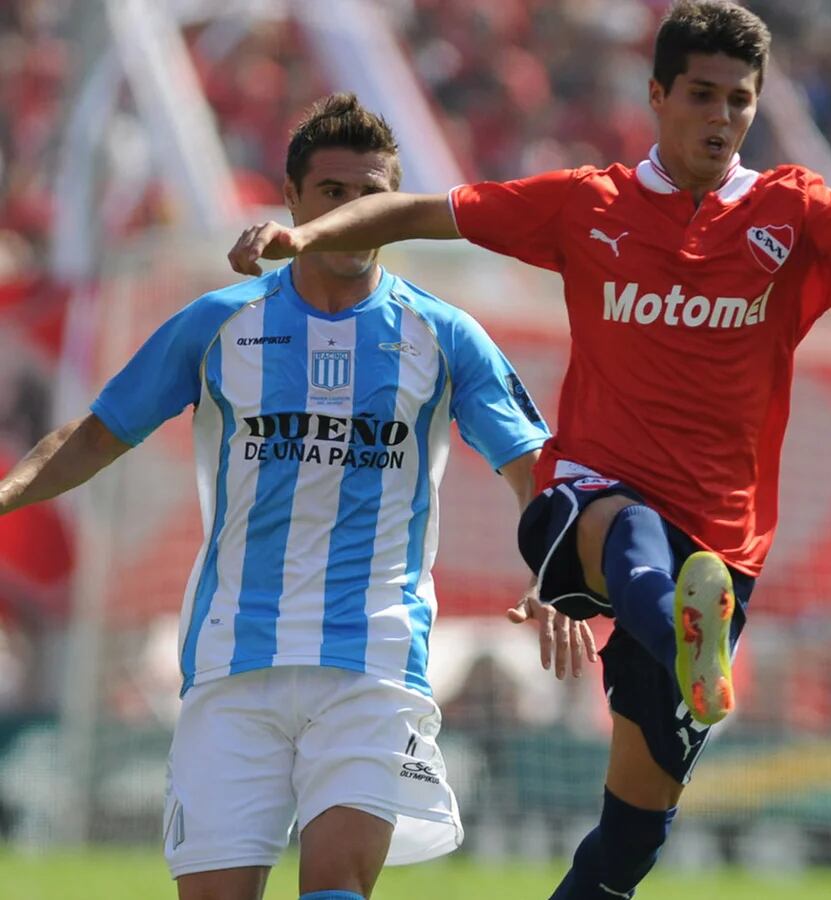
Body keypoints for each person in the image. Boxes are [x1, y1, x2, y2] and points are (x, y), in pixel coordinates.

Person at [227, 2, 831, 896]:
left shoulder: (797, 213)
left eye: (740, 100)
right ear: (657, 95)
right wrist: (303, 237)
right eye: (701, 95)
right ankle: (682, 637)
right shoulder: (591, 203)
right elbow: (424, 212)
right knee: (629, 529)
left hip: (722, 549)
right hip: (586, 504)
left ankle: (685, 646)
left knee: (627, 847)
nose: (721, 117)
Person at [0, 93, 594, 900]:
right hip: (232, 658)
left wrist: (557, 570)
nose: (353, 212)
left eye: (371, 194)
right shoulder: (219, 325)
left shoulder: (444, 335)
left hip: (374, 660)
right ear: (294, 200)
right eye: (333, 194)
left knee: (335, 887)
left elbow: (532, 469)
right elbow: (96, 433)